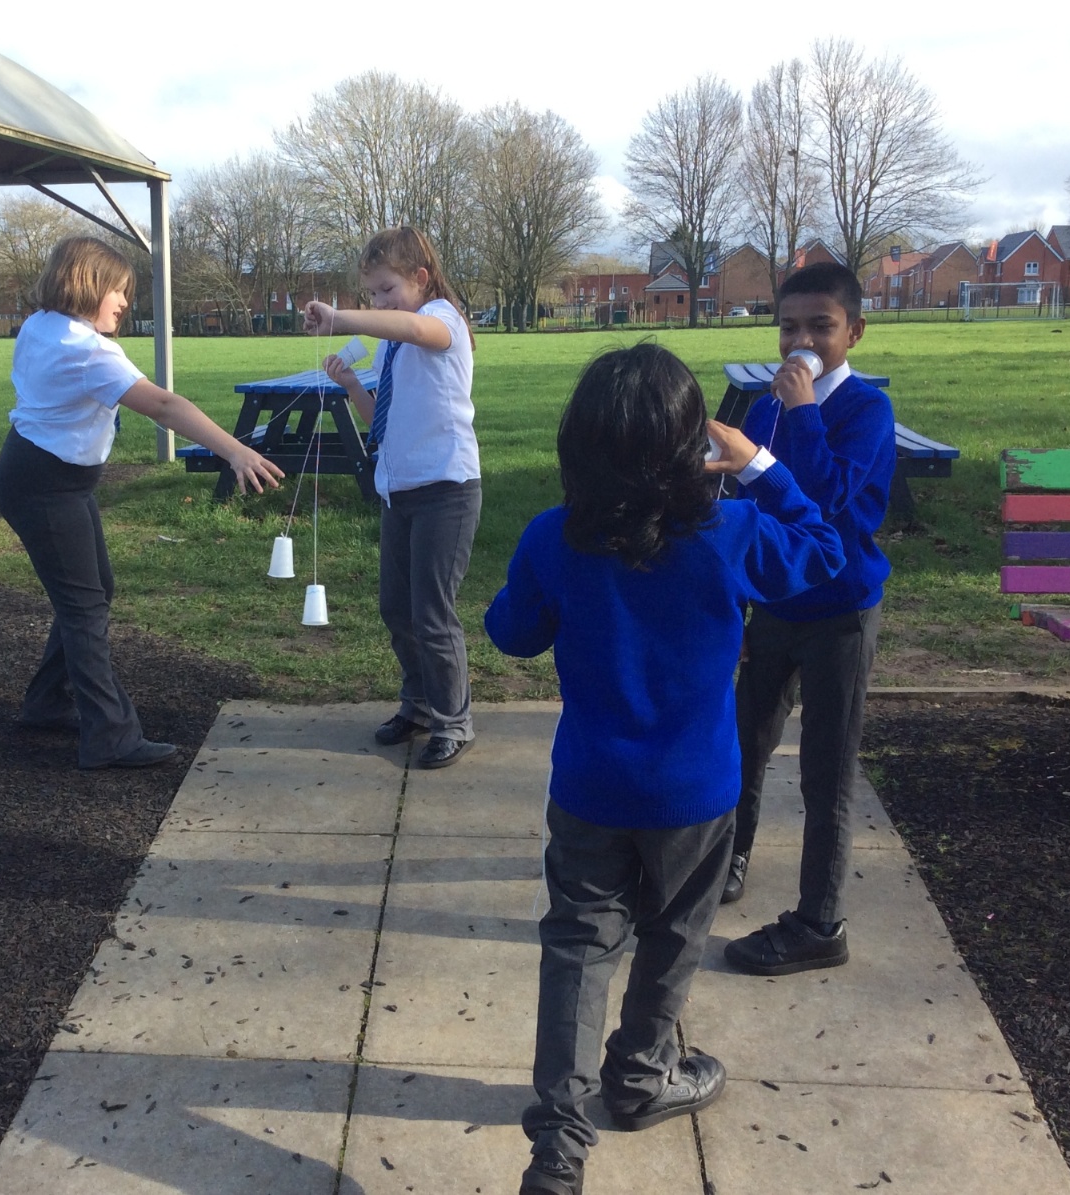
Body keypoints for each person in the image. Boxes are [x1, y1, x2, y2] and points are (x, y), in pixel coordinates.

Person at [484, 344, 844, 1195]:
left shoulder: (553, 537)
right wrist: (758, 464)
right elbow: (825, 550)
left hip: (590, 786)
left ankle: (558, 1147)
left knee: (577, 947)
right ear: (692, 445)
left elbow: (511, 632)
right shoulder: (731, 533)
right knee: (675, 934)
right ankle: (641, 1074)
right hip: (696, 790)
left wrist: (540, 580)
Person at [0, 236, 283, 770]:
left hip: (40, 475)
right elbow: (164, 406)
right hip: (46, 485)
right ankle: (110, 736)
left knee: (93, 592)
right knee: (84, 606)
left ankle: (47, 701)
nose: (125, 302)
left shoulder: (41, 325)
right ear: (86, 285)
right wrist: (236, 451)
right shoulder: (86, 351)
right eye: (118, 290)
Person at [720, 260, 896, 978]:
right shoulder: (763, 408)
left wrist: (802, 412)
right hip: (774, 605)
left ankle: (821, 921)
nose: (802, 342)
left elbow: (824, 503)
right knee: (744, 741)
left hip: (840, 612)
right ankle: (727, 857)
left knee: (827, 767)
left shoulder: (865, 411)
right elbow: (745, 507)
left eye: (821, 327)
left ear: (854, 331)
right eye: (788, 327)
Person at [302, 226, 481, 769]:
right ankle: (419, 706)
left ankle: (453, 722)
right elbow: (381, 419)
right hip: (398, 491)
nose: (379, 303)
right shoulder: (394, 346)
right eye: (371, 294)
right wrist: (353, 386)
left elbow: (413, 326)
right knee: (396, 609)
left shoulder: (442, 320)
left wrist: (341, 319)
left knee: (432, 613)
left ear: (421, 278)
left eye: (386, 290)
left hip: (446, 490)